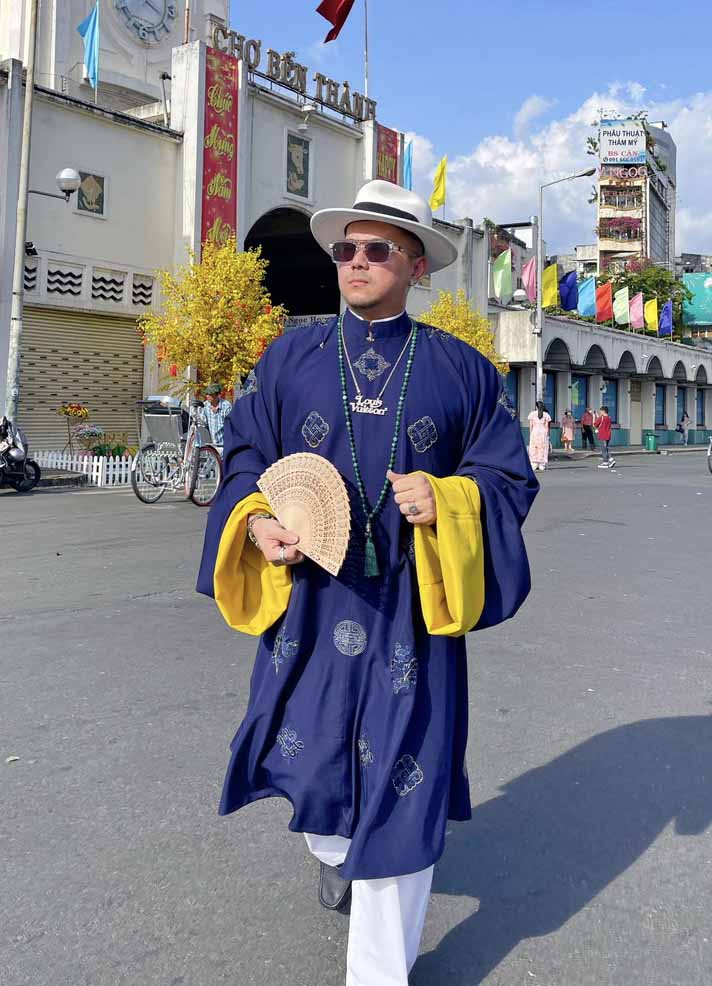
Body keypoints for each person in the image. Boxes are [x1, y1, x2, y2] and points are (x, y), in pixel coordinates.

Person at [197, 179, 538, 986]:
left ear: (417, 266)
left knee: (404, 779)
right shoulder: (289, 358)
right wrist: (256, 519)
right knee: (309, 755)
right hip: (310, 604)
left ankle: (379, 968)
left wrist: (450, 498)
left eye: (377, 249)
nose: (355, 260)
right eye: (345, 248)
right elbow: (244, 454)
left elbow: (507, 476)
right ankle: (333, 847)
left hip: (413, 609)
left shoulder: (463, 369)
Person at [200, 384, 232, 449]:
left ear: (218, 395)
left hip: (224, 445)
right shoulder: (205, 406)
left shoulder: (226, 406)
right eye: (207, 394)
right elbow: (203, 425)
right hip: (211, 447)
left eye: (210, 394)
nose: (207, 396)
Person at [527, 400, 551, 471]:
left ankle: (534, 464)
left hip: (535, 432)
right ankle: (541, 464)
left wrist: (530, 434)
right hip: (543, 432)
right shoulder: (546, 415)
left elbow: (531, 425)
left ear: (536, 407)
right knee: (542, 448)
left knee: (534, 448)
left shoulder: (532, 414)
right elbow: (546, 427)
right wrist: (547, 435)